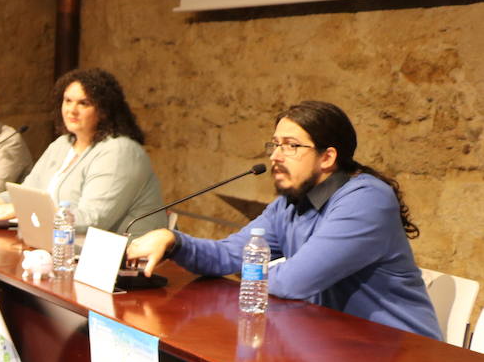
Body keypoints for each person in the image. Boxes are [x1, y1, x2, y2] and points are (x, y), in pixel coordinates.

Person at [126, 101, 441, 339]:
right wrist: (175, 242)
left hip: (397, 354)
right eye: (275, 144)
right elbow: (229, 254)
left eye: (291, 146)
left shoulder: (366, 199)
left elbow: (295, 281)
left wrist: (246, 275)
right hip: (332, 343)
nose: (275, 156)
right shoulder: (288, 206)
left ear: (327, 157)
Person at [0, 68, 166, 236]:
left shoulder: (120, 151)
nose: (72, 110)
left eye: (84, 103)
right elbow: (27, 194)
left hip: (127, 260)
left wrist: (22, 210)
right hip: (62, 248)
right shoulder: (62, 145)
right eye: (68, 101)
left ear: (104, 109)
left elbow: (92, 218)